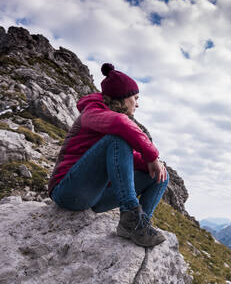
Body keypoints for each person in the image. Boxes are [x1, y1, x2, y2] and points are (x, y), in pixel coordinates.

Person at [48, 63, 169, 247]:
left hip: (95, 197)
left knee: (161, 175)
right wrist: (151, 155)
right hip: (67, 191)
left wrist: (153, 164)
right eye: (135, 98)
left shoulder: (113, 119)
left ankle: (139, 226)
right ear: (122, 98)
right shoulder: (92, 112)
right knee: (117, 139)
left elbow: (127, 158)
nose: (137, 103)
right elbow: (120, 125)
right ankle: (131, 214)